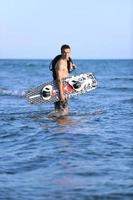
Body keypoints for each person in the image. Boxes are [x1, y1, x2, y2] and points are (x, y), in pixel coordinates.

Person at [50, 44, 76, 116]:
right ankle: (60, 125)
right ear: (61, 52)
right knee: (63, 112)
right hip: (59, 89)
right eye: (64, 52)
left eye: (68, 52)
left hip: (64, 88)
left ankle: (57, 124)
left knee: (61, 112)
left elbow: (66, 72)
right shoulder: (60, 64)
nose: (66, 54)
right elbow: (59, 80)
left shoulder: (67, 61)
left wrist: (72, 67)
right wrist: (61, 94)